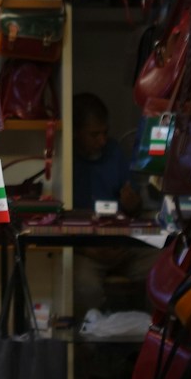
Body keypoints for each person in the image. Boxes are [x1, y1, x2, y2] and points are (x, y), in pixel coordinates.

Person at [69, 93, 155, 315]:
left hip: (122, 244)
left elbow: (133, 208)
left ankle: (150, 342)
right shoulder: (66, 162)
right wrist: (88, 249)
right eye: (94, 134)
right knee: (84, 286)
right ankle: (89, 347)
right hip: (86, 251)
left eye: (105, 133)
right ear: (76, 133)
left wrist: (133, 203)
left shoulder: (114, 152)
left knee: (160, 269)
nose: (102, 141)